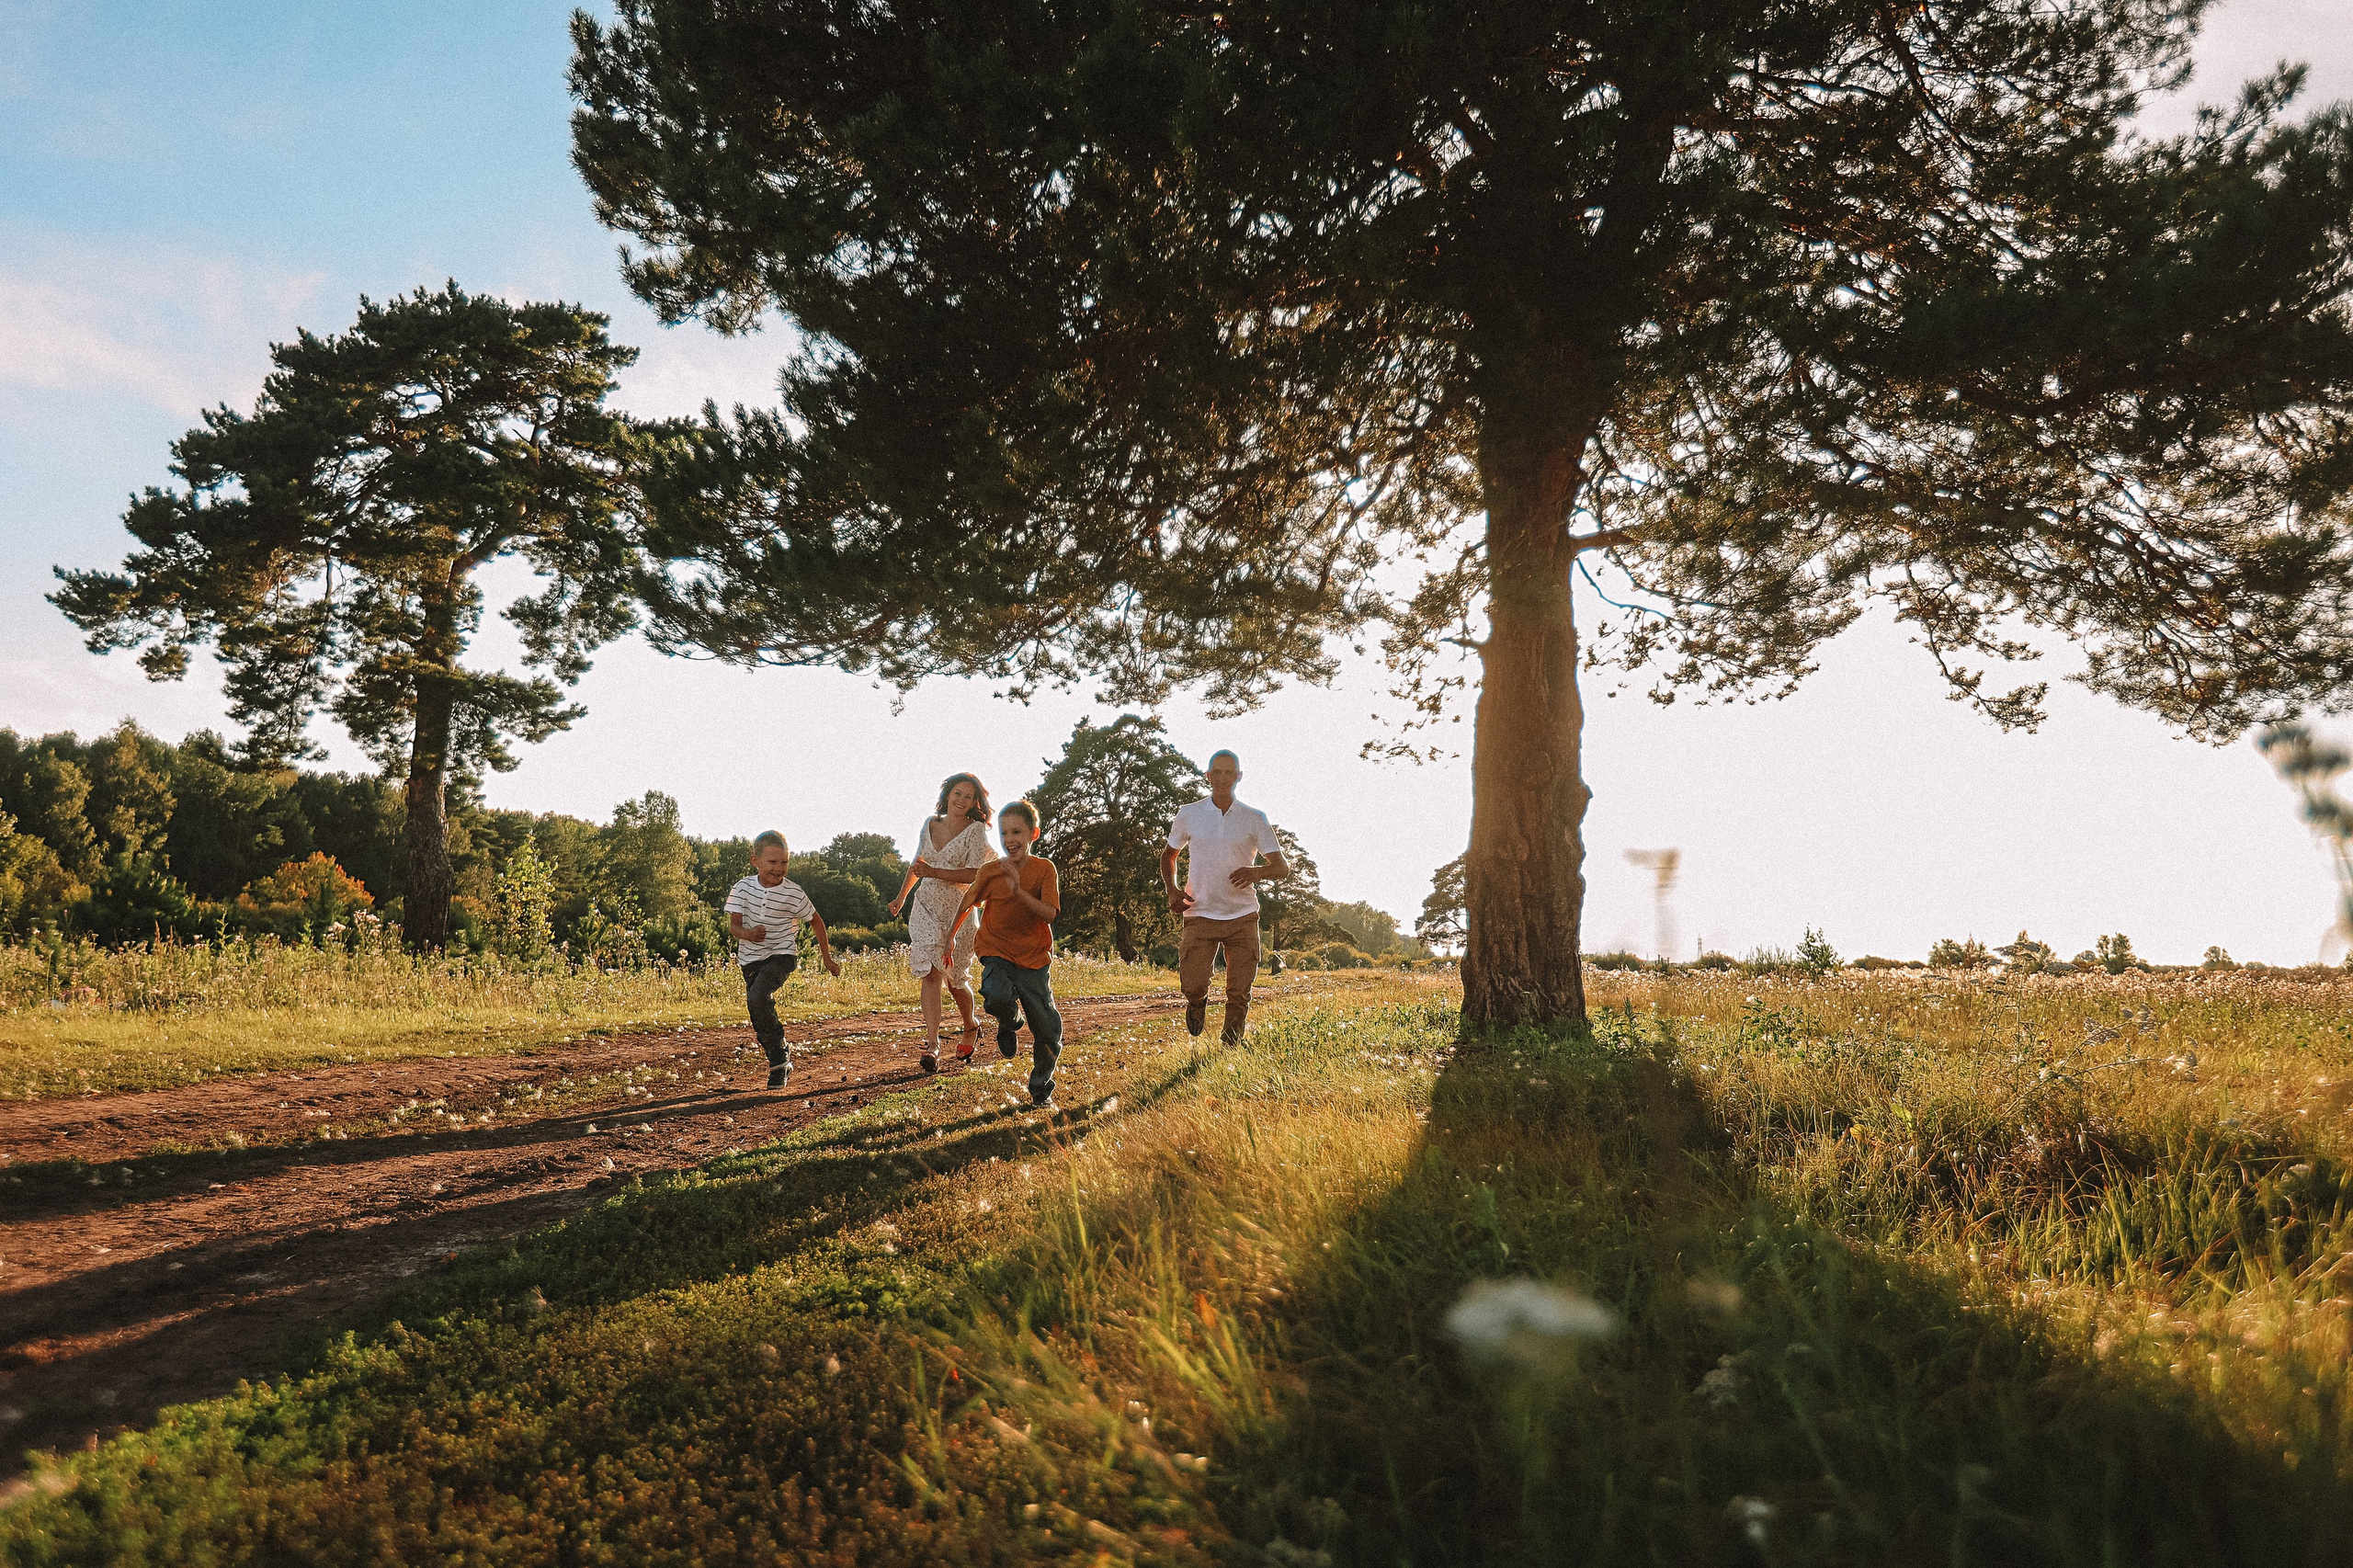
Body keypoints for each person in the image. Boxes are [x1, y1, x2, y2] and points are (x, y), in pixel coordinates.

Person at [1161, 749, 1290, 1045]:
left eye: (1228, 773)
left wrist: (1255, 872)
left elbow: (1281, 868)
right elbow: (1169, 855)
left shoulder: (1255, 818)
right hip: (1200, 911)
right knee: (1192, 984)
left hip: (1242, 915)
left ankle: (1230, 1046)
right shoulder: (1189, 814)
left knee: (1239, 989)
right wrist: (1172, 890)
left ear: (1239, 777)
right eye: (1216, 772)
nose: (1222, 778)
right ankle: (1196, 1002)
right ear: (1207, 776)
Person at [953, 799, 1064, 1108]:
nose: (1009, 840)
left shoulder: (1044, 870)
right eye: (1003, 833)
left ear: (1033, 834)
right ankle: (1010, 1022)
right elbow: (967, 903)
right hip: (995, 949)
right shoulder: (991, 871)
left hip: (1033, 958)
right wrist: (950, 938)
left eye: (1016, 832)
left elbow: (1050, 914)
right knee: (995, 993)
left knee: (1047, 1028)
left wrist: (1018, 892)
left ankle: (1041, 1090)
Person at [887, 772, 995, 1074]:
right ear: (948, 794)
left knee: (955, 980)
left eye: (969, 797)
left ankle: (970, 1025)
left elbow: (974, 874)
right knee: (930, 973)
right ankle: (933, 1045)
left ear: (975, 802)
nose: (962, 800)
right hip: (925, 906)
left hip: (958, 912)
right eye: (957, 793)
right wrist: (902, 897)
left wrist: (934, 872)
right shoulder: (930, 824)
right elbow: (918, 863)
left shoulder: (975, 831)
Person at [724, 830, 841, 1090]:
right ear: (755, 861)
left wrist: (827, 959)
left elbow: (816, 921)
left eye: (784, 862)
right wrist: (749, 934)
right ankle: (779, 1054)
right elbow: (734, 927)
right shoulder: (742, 888)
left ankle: (779, 1062)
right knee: (757, 1007)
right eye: (772, 863)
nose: (779, 869)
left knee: (758, 998)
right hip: (750, 959)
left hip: (782, 955)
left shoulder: (793, 893)